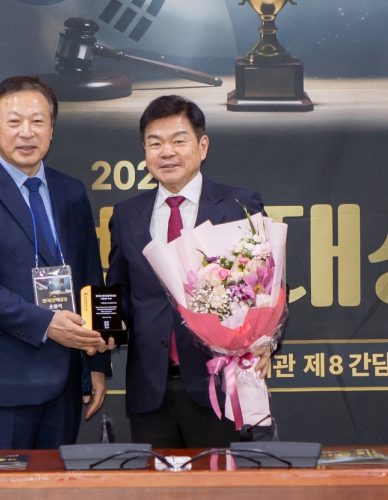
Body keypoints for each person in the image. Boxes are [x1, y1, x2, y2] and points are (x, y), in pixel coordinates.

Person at [0, 76, 112, 450]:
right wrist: (47, 324)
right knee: (3, 483)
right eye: (14, 121)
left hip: (66, 381)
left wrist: (97, 365)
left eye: (38, 121)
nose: (26, 132)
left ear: (51, 129)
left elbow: (90, 276)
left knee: (59, 482)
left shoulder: (71, 192)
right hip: (1, 385)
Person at [106, 95, 277, 448]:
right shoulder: (126, 215)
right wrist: (101, 330)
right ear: (144, 151)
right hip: (150, 390)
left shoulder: (238, 206)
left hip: (220, 385)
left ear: (202, 146)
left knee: (221, 478)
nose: (166, 152)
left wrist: (268, 341)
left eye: (178, 140)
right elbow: (120, 294)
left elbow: (268, 285)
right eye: (155, 143)